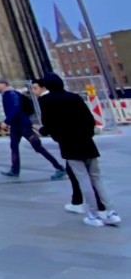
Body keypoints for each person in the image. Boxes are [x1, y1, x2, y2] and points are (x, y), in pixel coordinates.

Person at [33, 74, 120, 227]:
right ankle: (110, 212)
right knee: (96, 178)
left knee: (83, 179)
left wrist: (43, 131)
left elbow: (50, 124)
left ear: (47, 86)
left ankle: (93, 215)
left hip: (69, 144)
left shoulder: (46, 101)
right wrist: (87, 135)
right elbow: (89, 119)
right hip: (87, 142)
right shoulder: (74, 97)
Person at [0, 80, 66, 180]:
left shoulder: (10, 94)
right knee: (14, 146)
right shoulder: (9, 94)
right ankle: (14, 170)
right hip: (17, 125)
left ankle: (59, 167)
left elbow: (16, 107)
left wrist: (7, 121)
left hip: (23, 125)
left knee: (37, 147)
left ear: (4, 84)